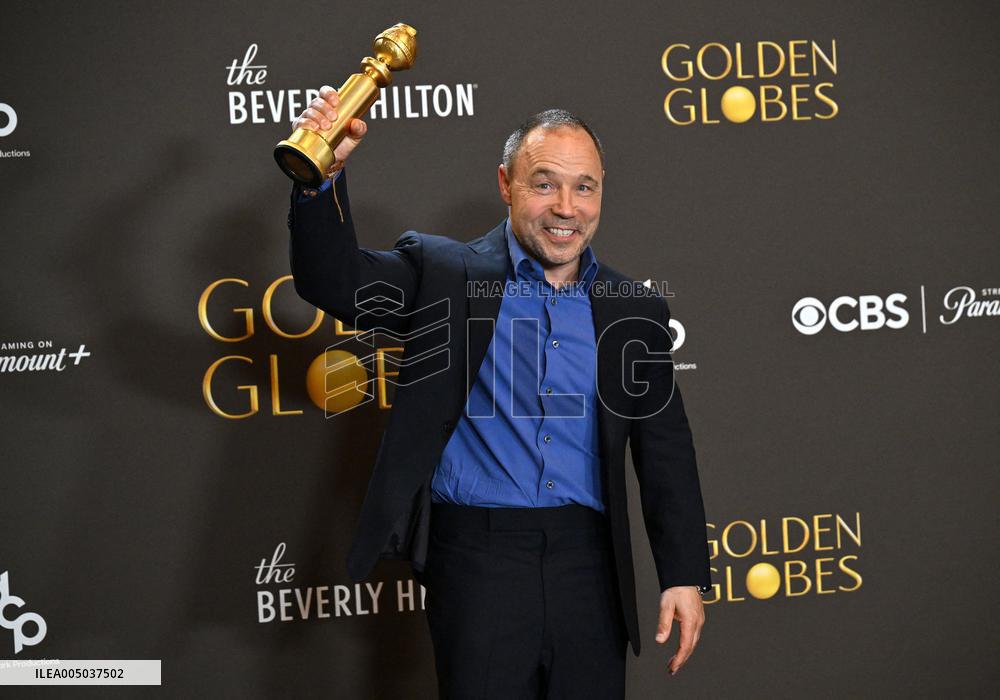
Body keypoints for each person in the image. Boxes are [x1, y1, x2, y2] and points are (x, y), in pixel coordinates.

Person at [287, 85, 712, 698]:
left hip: (590, 566)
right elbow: (333, 280)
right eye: (544, 183)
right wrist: (320, 173)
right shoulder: (444, 275)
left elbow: (665, 451)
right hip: (477, 561)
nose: (566, 206)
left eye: (584, 186)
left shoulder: (631, 308)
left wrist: (683, 575)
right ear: (506, 184)